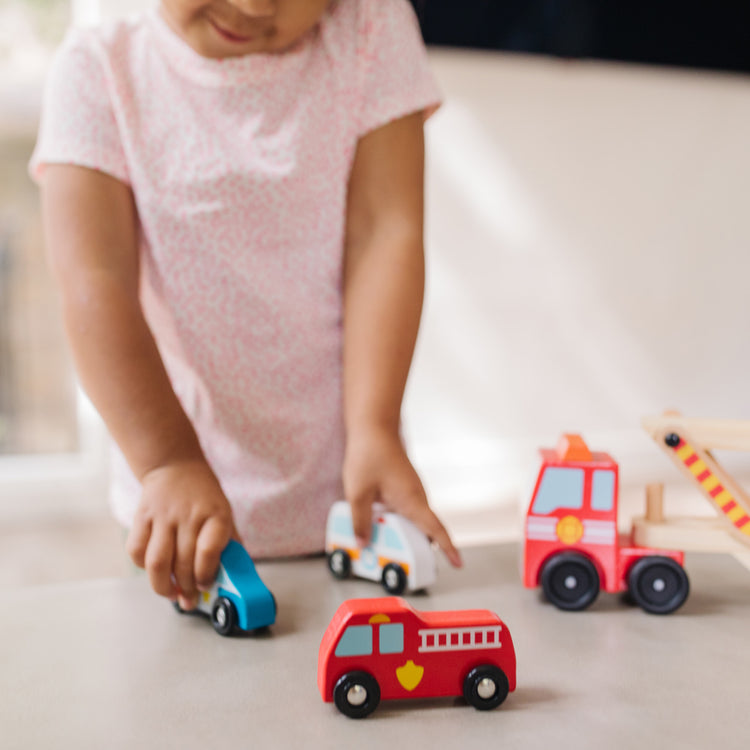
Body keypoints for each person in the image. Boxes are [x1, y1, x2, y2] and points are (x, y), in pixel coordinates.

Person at [31, 0, 462, 612]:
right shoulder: (97, 68)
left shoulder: (372, 27)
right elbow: (92, 283)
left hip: (349, 497)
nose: (257, 6)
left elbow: (385, 233)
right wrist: (166, 463)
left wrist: (376, 426)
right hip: (179, 514)